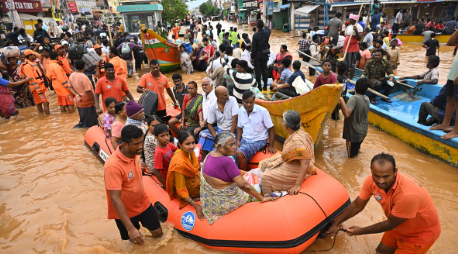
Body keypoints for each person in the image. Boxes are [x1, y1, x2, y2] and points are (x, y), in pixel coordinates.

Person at [326, 153, 441, 254]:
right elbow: (357, 205)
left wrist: (360, 231)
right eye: (376, 176)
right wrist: (337, 223)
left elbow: (390, 223)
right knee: (380, 252)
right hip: (398, 227)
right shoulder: (370, 181)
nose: (380, 181)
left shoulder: (408, 195)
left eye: (386, 176)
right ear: (371, 170)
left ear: (395, 172)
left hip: (418, 235)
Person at [200, 131, 277, 224]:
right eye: (231, 145)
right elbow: (244, 185)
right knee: (255, 192)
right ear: (220, 147)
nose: (235, 147)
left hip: (212, 202)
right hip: (225, 202)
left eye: (234, 143)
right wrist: (262, 198)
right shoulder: (227, 161)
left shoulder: (209, 155)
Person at [104, 125, 163, 244]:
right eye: (136, 144)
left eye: (141, 142)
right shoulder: (113, 166)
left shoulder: (135, 154)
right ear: (125, 144)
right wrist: (130, 228)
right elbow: (115, 199)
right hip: (126, 212)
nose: (140, 146)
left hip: (143, 203)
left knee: (158, 233)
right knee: (134, 244)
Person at [259, 110, 316, 195]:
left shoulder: (296, 140)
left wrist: (297, 185)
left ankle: (268, 197)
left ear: (285, 125)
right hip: (291, 161)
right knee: (263, 163)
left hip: (296, 168)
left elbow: (305, 162)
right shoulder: (300, 131)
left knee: (265, 177)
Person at [166, 131, 203, 219]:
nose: (192, 146)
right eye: (188, 144)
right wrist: (195, 205)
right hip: (189, 188)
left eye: (193, 143)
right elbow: (181, 189)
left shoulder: (190, 153)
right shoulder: (179, 163)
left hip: (195, 179)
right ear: (180, 145)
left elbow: (195, 170)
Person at [236, 91, 276, 170]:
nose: (249, 104)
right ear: (242, 101)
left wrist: (271, 146)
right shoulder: (241, 110)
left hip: (258, 141)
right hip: (245, 139)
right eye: (246, 102)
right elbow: (239, 127)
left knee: (238, 153)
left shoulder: (263, 111)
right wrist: (238, 140)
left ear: (254, 101)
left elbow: (271, 128)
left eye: (251, 102)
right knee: (228, 150)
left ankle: (244, 175)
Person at [429, 30, 458, 139]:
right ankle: (445, 124)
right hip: (454, 71)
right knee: (450, 99)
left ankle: (456, 130)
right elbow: (450, 43)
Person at [198, 86, 238, 155]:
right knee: (202, 134)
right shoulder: (212, 106)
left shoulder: (232, 100)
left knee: (230, 143)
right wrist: (216, 137)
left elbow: (235, 119)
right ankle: (204, 160)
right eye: (225, 95)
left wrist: (231, 136)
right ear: (218, 96)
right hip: (220, 131)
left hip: (232, 130)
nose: (227, 96)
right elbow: (209, 124)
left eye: (228, 94)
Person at [339, 78, 370, 157]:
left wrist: (341, 100)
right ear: (366, 89)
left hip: (354, 134)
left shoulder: (354, 98)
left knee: (351, 158)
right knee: (357, 153)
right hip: (363, 132)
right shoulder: (367, 98)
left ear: (355, 87)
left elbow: (347, 114)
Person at [68, 59, 98, 127]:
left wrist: (76, 94)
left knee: (83, 118)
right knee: (91, 121)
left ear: (75, 67)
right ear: (84, 67)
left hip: (78, 100)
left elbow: (70, 87)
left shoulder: (71, 75)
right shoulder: (84, 77)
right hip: (87, 101)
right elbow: (88, 91)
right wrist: (94, 103)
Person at [19, 50, 50, 115]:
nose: (35, 56)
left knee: (39, 102)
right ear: (30, 56)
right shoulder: (27, 66)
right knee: (45, 102)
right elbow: (32, 79)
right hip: (37, 88)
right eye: (33, 55)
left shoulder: (32, 63)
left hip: (39, 86)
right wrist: (38, 89)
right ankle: (47, 116)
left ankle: (42, 117)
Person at [251, 20, 271, 91]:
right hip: (265, 54)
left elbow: (253, 48)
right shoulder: (267, 34)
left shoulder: (255, 35)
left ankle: (259, 86)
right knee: (264, 70)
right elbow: (269, 30)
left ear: (257, 26)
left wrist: (252, 57)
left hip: (257, 55)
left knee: (258, 71)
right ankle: (265, 86)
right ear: (263, 25)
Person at [343, 14, 363, 80]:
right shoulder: (349, 27)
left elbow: (359, 39)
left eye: (350, 19)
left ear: (353, 20)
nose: (349, 20)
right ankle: (345, 77)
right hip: (347, 47)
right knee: (346, 63)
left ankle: (350, 78)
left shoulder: (359, 27)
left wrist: (356, 30)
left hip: (353, 48)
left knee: (352, 64)